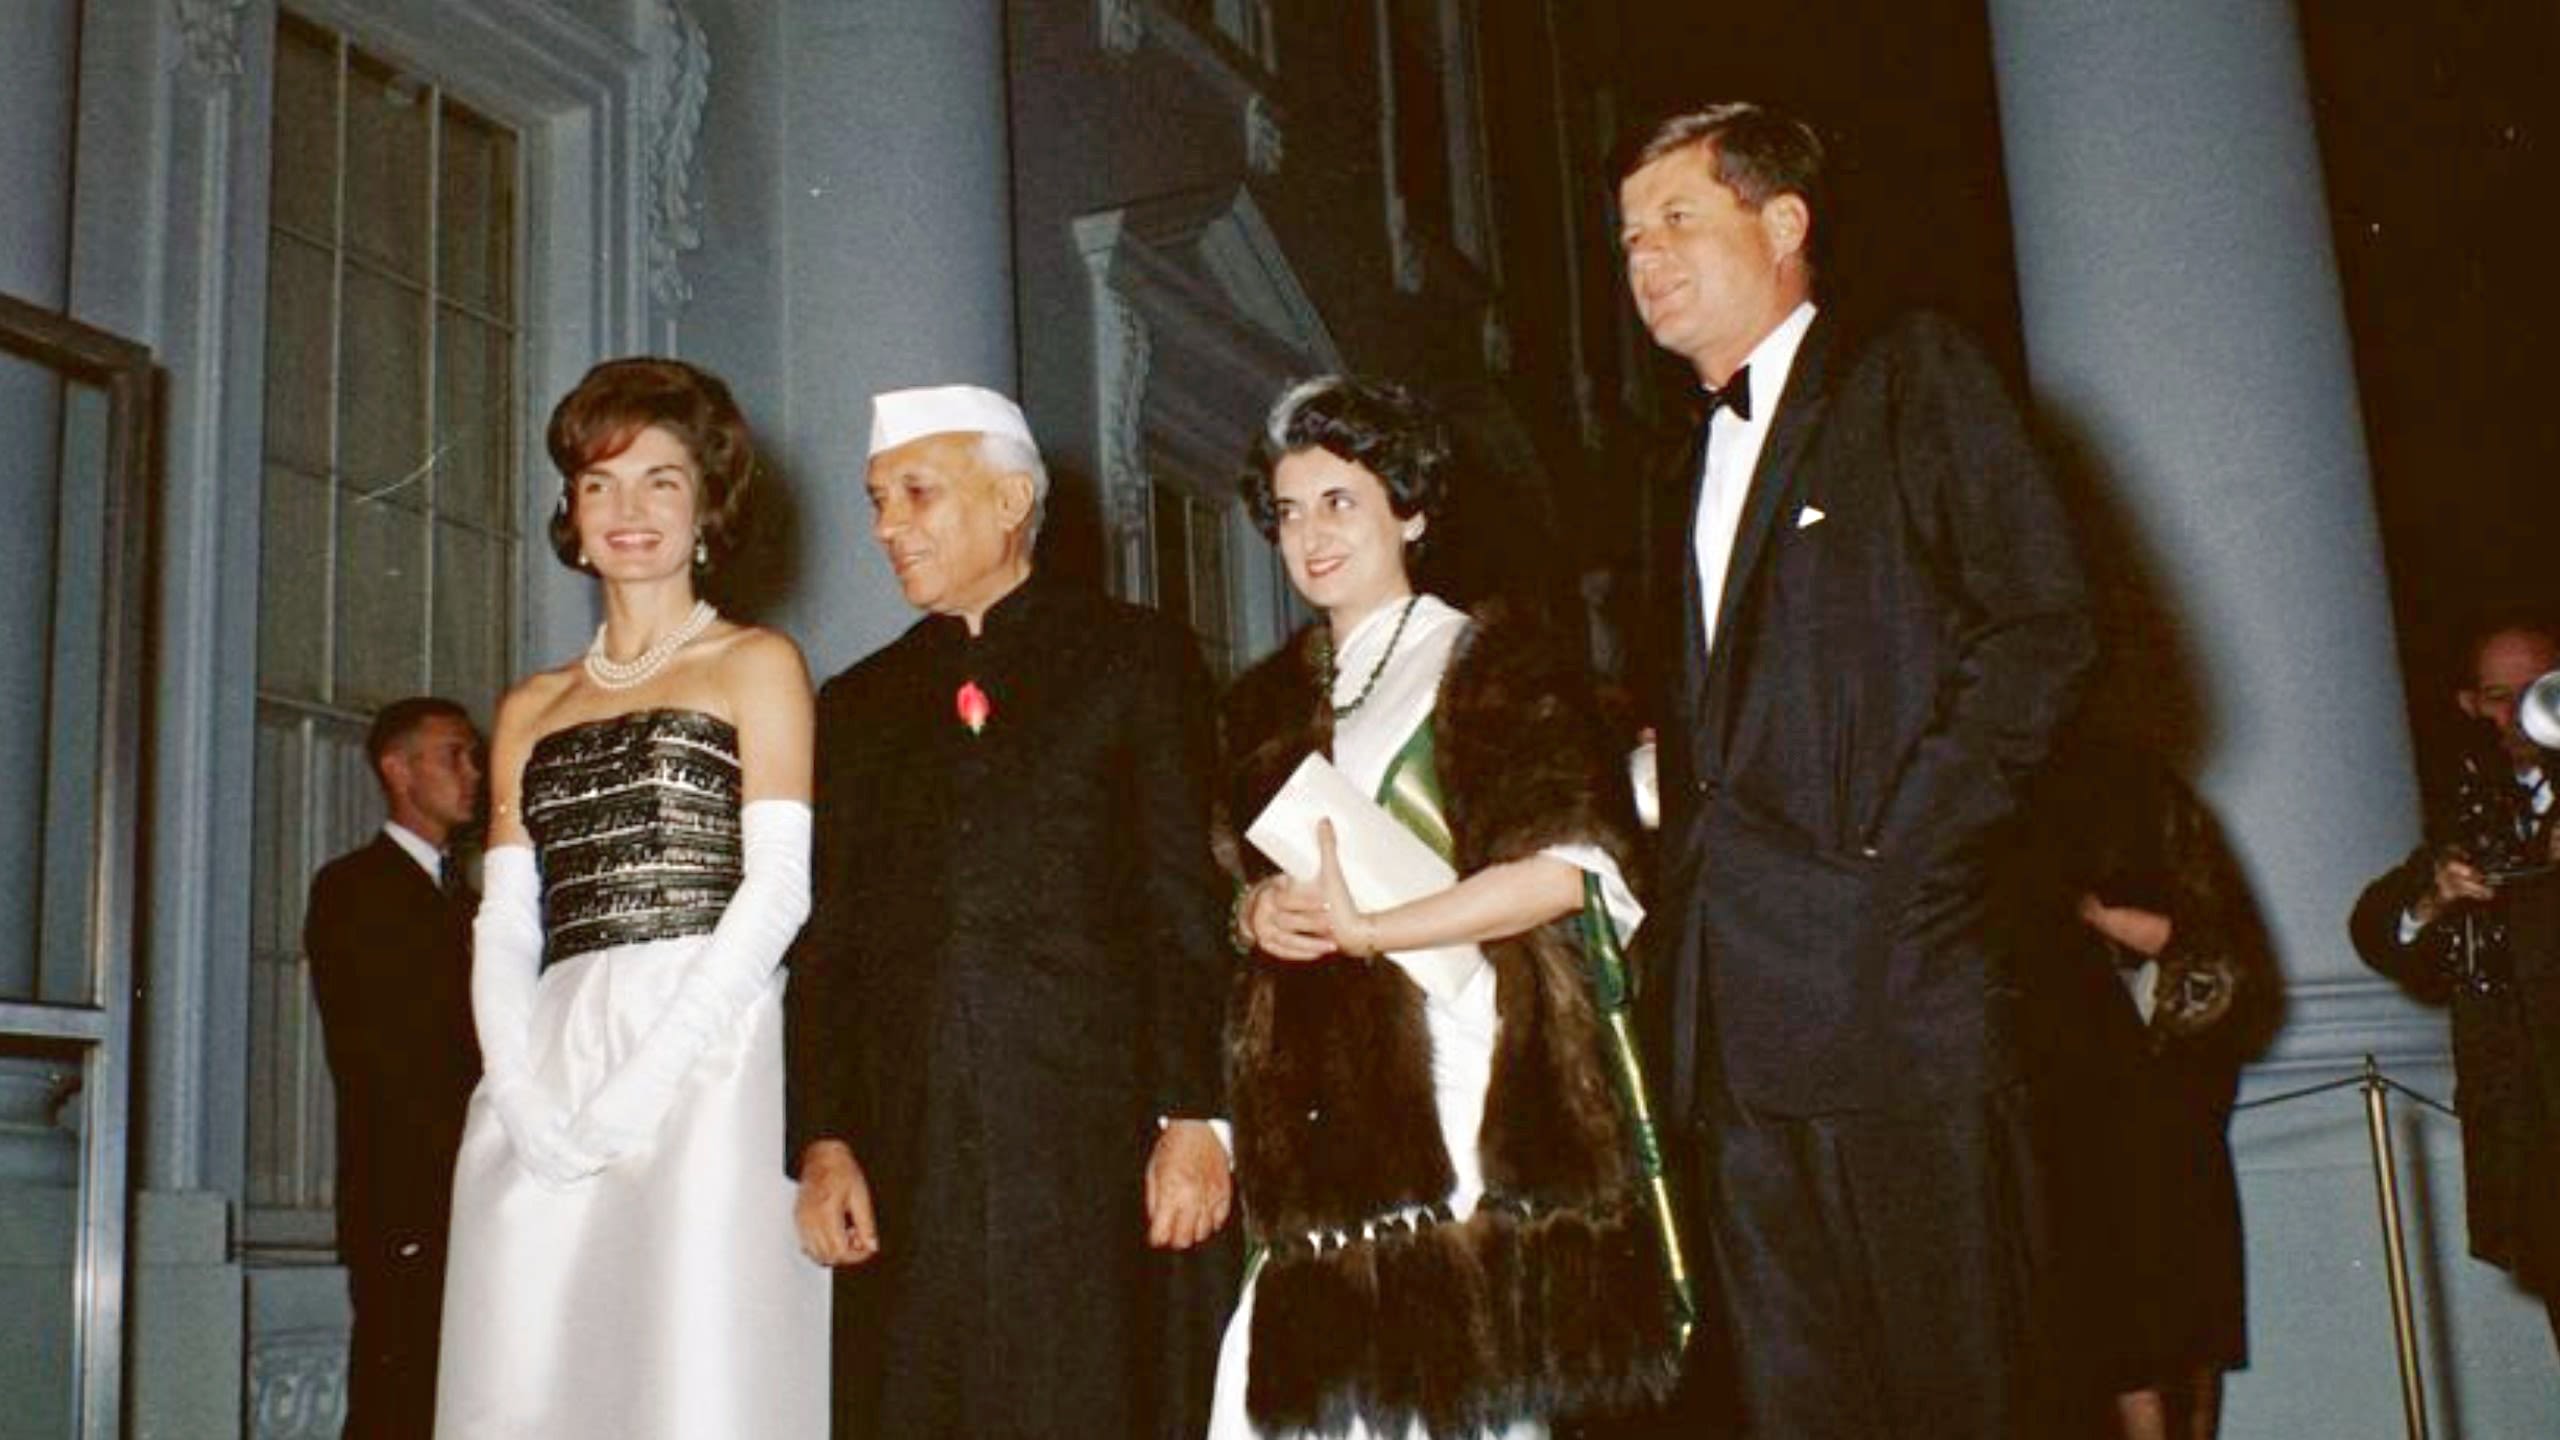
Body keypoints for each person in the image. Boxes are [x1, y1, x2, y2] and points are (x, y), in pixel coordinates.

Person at [1618, 102, 2094, 1436]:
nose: (1643, 256)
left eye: (1676, 220)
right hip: (1735, 1030)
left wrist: (1905, 860)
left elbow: (2043, 629)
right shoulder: (1672, 468)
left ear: (1784, 224)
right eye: (1627, 238)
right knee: (1799, 1406)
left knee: (1966, 1396)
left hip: (1898, 995)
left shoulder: (1910, 376)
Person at [1214, 376, 1684, 1440]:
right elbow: (1238, 884)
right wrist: (1256, 918)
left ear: (1410, 510)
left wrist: (1376, 928)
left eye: (1340, 500)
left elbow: (1572, 870)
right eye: (1289, 511)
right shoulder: (1263, 702)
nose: (1310, 535)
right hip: (1320, 1110)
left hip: (1465, 1075)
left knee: (1460, 1404)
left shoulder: (1492, 663)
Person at [785, 384, 1235, 1438]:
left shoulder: (1135, 657)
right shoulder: (855, 705)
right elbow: (829, 939)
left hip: (1095, 1139)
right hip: (911, 1150)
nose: (886, 526)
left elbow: (1182, 895)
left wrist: (1197, 1117)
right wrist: (822, 1139)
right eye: (875, 499)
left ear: (1011, 499)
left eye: (916, 493)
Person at [433, 357, 827, 1437]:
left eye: (660, 479)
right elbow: (509, 915)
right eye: (600, 483)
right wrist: (514, 1086)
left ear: (707, 502)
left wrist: (646, 1080)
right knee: (529, 1367)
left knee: (689, 1367)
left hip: (711, 1052)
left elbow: (778, 891)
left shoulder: (756, 664)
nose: (629, 511)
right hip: (551, 1049)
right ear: (570, 508)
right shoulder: (532, 702)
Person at [2016, 741, 2265, 1440]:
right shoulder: (1977, 803)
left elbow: (2226, 965)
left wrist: (2112, 927)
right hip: (2053, 1130)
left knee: (2167, 1350)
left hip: (2153, 1131)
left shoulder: (2143, 796)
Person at [2351, 615, 2560, 1355]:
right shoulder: (2481, 811)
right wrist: (2433, 900)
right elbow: (2378, 927)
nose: (2523, 715)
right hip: (2536, 1145)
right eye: (2501, 697)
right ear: (2471, 706)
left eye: (2543, 691)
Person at [303, 697, 484, 1439]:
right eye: (454, 755)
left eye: (474, 756)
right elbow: (383, 1059)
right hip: (406, 1198)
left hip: (467, 1196)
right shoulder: (354, 889)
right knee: (396, 1402)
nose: (473, 773)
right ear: (398, 769)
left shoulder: (470, 903)